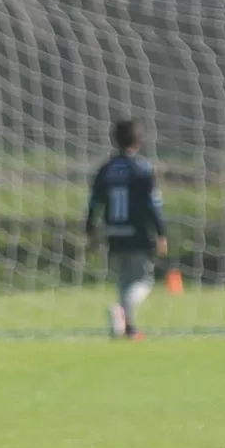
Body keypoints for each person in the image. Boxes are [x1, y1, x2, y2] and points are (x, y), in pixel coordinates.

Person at [86, 119, 168, 340]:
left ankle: (128, 329)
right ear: (139, 141)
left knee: (123, 281)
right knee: (143, 280)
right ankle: (123, 311)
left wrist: (90, 229)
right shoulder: (142, 169)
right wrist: (161, 233)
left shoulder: (105, 169)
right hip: (137, 232)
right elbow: (152, 205)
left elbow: (94, 202)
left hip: (113, 232)